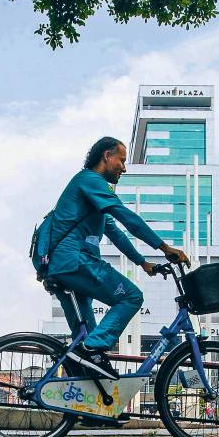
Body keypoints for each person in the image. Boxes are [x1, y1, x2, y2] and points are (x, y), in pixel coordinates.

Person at [46, 137, 189, 379]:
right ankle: (91, 350)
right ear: (106, 156)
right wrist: (164, 247)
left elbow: (117, 233)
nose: (124, 167)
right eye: (121, 160)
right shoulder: (90, 181)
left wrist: (143, 263)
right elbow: (126, 218)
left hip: (64, 266)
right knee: (132, 297)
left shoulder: (93, 198)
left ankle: (93, 410)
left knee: (89, 349)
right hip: (74, 261)